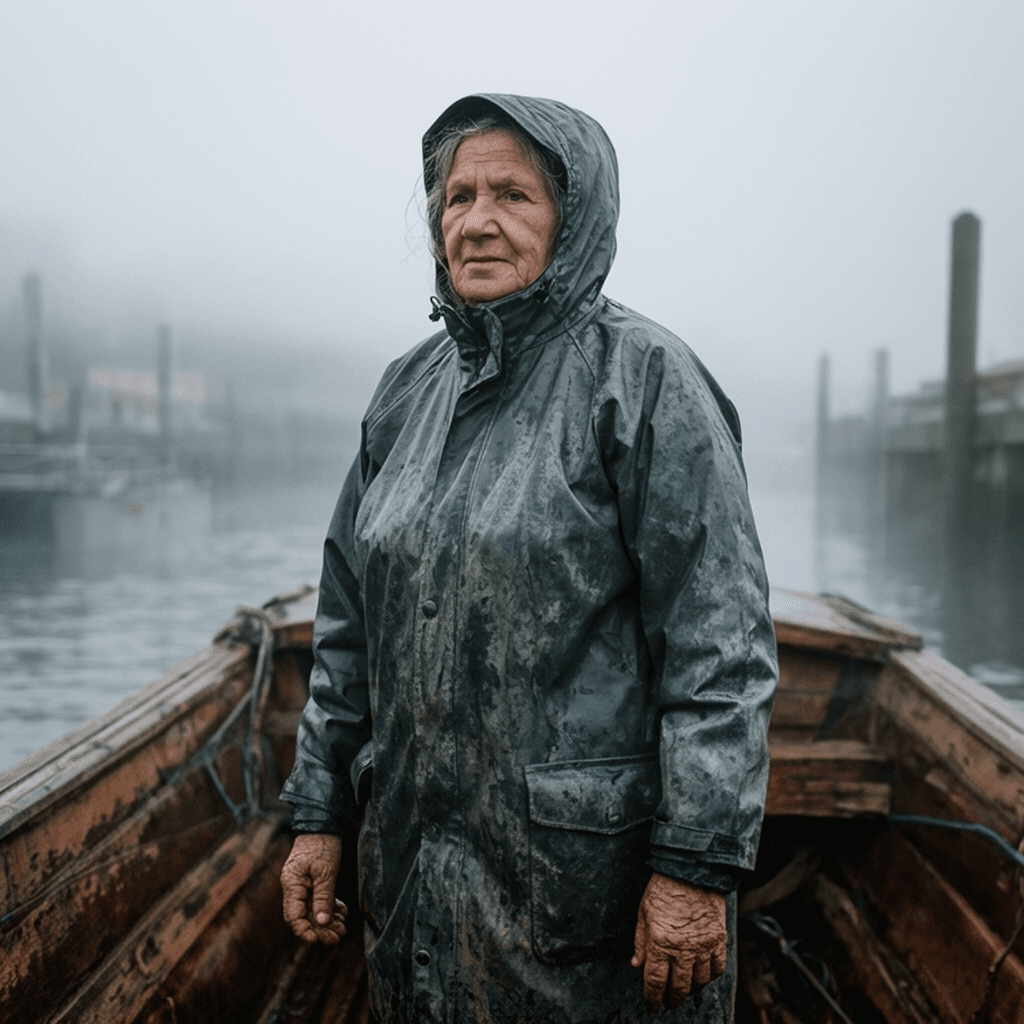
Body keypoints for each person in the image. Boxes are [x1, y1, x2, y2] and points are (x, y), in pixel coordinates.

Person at [280, 93, 777, 1024]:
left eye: (513, 193)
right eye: (457, 196)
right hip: (416, 882)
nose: (477, 221)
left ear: (574, 216)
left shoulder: (644, 380)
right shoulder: (403, 393)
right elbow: (347, 632)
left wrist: (695, 868)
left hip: (583, 904)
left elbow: (722, 650)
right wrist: (318, 814)